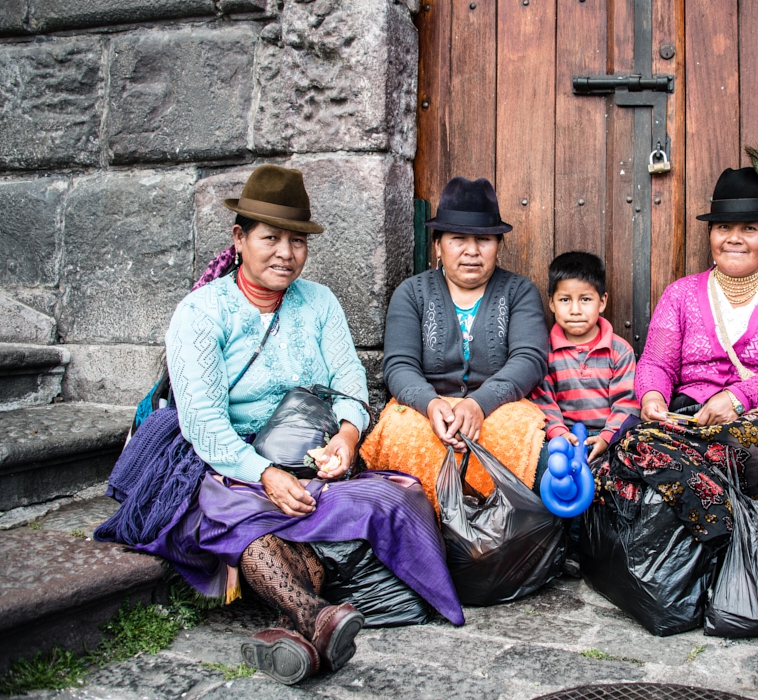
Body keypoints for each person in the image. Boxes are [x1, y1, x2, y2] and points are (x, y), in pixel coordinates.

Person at [96, 165, 464, 685]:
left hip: (312, 455)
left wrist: (347, 436)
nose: (285, 254)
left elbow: (350, 384)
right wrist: (264, 473)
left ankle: (295, 626)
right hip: (227, 458)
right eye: (270, 238)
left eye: (297, 241)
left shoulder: (320, 303)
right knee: (241, 512)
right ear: (239, 239)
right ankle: (316, 617)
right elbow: (203, 422)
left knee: (395, 498)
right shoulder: (202, 314)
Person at [610, 156, 758, 613]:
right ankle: (726, 545)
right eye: (723, 228)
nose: (733, 237)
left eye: (749, 228)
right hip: (692, 415)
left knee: (749, 445)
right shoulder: (683, 294)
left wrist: (737, 396)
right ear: (710, 237)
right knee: (629, 444)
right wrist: (651, 394)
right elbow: (655, 361)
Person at [362, 176, 549, 510]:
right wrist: (431, 404)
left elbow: (530, 358)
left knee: (523, 439)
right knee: (402, 435)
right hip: (424, 408)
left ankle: (494, 545)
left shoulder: (519, 291)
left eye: (484, 240)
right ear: (437, 245)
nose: (472, 251)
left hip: (498, 407)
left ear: (498, 246)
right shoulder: (412, 293)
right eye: (458, 239)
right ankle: (420, 538)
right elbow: (399, 365)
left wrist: (479, 404)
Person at [529, 252, 639, 464]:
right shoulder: (545, 351)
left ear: (602, 301)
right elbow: (543, 402)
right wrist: (559, 433)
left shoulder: (619, 351)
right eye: (565, 300)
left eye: (586, 299)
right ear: (551, 303)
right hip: (562, 440)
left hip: (609, 439)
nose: (575, 310)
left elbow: (626, 403)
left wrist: (608, 437)